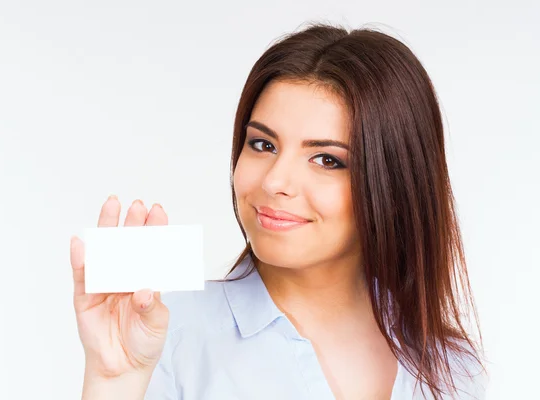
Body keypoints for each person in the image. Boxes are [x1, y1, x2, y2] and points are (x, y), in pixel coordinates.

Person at [69, 22, 488, 400]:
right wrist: (112, 383)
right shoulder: (167, 336)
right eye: (262, 145)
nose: (273, 182)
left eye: (327, 159)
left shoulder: (451, 367)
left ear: (394, 183)